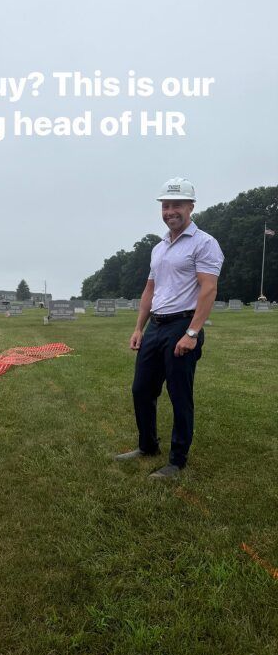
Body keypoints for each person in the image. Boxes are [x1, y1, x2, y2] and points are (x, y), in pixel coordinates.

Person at [115, 178, 224, 479]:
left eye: (176, 205)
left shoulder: (204, 243)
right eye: (166, 205)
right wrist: (139, 327)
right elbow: (150, 290)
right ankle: (147, 446)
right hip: (156, 326)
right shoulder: (159, 248)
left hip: (182, 324)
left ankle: (177, 461)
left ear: (191, 206)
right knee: (141, 390)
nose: (170, 211)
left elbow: (208, 289)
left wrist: (191, 333)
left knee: (179, 395)